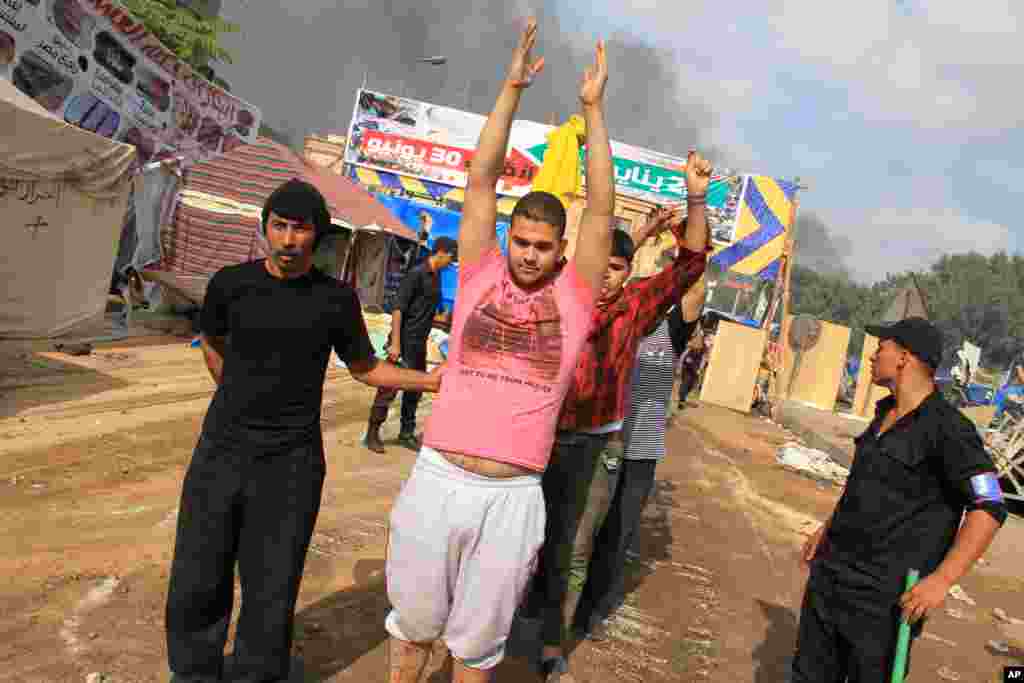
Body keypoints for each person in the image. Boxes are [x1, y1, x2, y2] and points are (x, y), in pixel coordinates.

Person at [383, 20, 614, 683]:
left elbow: (601, 210)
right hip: (439, 479)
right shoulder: (482, 271)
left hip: (514, 495)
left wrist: (593, 111)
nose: (531, 254)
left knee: (476, 650)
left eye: (544, 246)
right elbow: (481, 181)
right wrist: (510, 90)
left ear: (561, 251)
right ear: (509, 240)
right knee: (413, 631)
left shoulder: (574, 300)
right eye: (523, 241)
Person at [164, 179, 443, 683]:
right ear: (265, 226)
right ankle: (192, 675)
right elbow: (211, 339)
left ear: (318, 236)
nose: (289, 240)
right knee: (197, 575)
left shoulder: (335, 300)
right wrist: (234, 392)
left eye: (301, 230)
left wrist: (430, 382)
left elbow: (366, 368)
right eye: (280, 226)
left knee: (271, 583)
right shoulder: (231, 283)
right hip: (221, 452)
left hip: (291, 462)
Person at [534, 168, 713, 681]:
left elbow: (689, 265)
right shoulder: (558, 295)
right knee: (524, 539)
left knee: (577, 547)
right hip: (538, 441)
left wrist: (696, 197)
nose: (608, 275)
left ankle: (552, 644)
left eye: (618, 267)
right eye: (602, 266)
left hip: (600, 446)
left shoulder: (636, 307)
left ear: (627, 272)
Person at [792, 317, 1007, 682]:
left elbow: (989, 505)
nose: (874, 355)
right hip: (831, 578)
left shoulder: (949, 430)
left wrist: (942, 580)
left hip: (884, 601)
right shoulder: (882, 414)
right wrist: (827, 528)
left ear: (905, 357)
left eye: (882, 347)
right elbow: (865, 483)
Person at [579, 272, 706, 641]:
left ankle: (590, 611)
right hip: (601, 441)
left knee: (617, 532)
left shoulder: (672, 330)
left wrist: (691, 247)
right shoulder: (619, 321)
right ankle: (551, 602)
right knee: (581, 526)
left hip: (640, 450)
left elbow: (696, 290)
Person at [364, 236, 457, 452]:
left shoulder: (436, 277)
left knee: (415, 389)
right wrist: (395, 344)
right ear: (441, 252)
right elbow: (398, 309)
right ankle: (372, 434)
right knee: (389, 388)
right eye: (451, 258)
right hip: (403, 342)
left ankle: (406, 433)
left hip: (418, 344)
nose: (451, 264)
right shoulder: (416, 274)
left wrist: (443, 319)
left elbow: (423, 311)